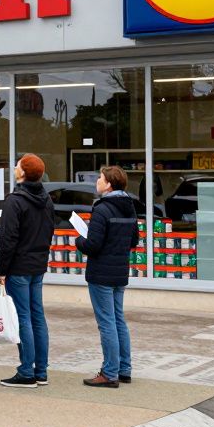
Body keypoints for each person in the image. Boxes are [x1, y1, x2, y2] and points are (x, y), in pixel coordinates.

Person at [0, 153, 55, 388]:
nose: (14, 167)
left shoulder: (15, 200)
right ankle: (41, 370)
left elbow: (8, 239)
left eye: (17, 165)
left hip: (18, 267)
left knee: (23, 318)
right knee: (36, 316)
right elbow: (49, 231)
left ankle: (26, 371)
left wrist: (2, 270)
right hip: (37, 266)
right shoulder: (46, 200)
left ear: (23, 172)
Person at [75, 165, 136, 388]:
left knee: (107, 323)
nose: (97, 182)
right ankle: (124, 369)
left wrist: (78, 241)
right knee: (118, 319)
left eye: (100, 178)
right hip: (120, 271)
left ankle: (109, 373)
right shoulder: (129, 207)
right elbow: (134, 241)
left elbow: (92, 244)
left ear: (109, 183)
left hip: (101, 273)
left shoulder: (102, 209)